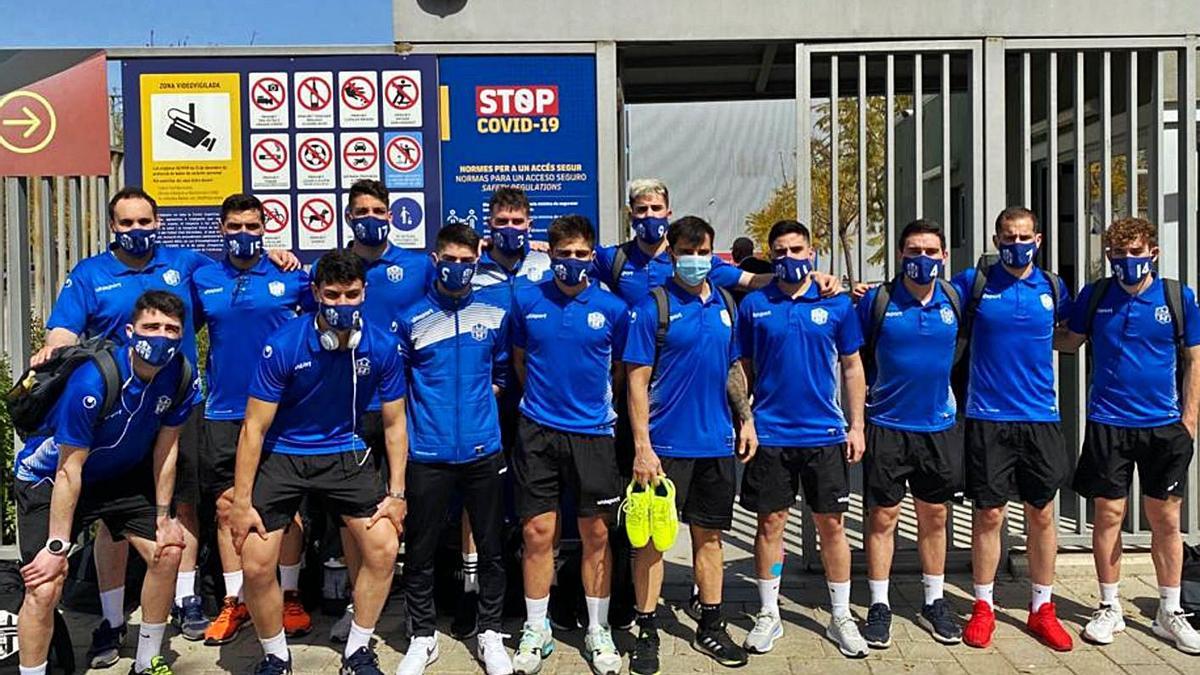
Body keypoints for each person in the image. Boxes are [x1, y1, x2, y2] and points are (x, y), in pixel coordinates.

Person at [34, 187, 299, 662]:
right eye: (126, 224)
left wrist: (277, 253)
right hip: (113, 417)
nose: (137, 231)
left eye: (144, 222)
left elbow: (237, 272)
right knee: (110, 531)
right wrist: (52, 352)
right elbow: (63, 331)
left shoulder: (187, 264)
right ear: (112, 226)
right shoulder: (91, 273)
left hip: (175, 405)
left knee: (178, 502)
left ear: (158, 223)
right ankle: (112, 622)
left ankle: (186, 596)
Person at [229, 250, 407, 675]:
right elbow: (253, 427)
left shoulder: (381, 346)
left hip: (346, 452)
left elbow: (396, 423)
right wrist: (241, 499)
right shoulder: (284, 344)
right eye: (332, 295)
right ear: (315, 293)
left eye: (351, 295)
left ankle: (358, 651)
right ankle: (275, 656)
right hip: (285, 454)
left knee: (383, 547)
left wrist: (397, 493)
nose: (342, 304)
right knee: (254, 560)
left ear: (364, 293)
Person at [15, 290, 197, 675]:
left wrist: (164, 516)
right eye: (151, 327)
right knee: (46, 585)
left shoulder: (181, 374)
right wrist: (56, 548)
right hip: (51, 479)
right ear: (131, 331)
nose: (160, 337)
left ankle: (147, 661)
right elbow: (68, 471)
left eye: (170, 329)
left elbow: (167, 449)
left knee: (169, 550)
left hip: (116, 476)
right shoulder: (93, 381)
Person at [1057, 217, 1200, 654]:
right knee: (1109, 517)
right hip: (1109, 424)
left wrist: (1190, 422)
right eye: (1118, 254)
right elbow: (1068, 341)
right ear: (1108, 257)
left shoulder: (1177, 297)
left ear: (1152, 252)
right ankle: (1108, 606)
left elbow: (1195, 360)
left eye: (1136, 253)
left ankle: (1169, 612)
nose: (1127, 261)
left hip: (1164, 427)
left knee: (1166, 521)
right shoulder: (1096, 295)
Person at [622, 216, 755, 674]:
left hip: (715, 444)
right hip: (664, 450)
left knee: (710, 538)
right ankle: (646, 628)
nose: (695, 260)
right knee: (653, 544)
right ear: (672, 254)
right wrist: (643, 446)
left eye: (703, 252)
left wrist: (746, 419)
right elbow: (635, 384)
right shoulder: (651, 307)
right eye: (686, 251)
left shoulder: (725, 304)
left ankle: (711, 624)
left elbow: (733, 366)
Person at [736, 219, 869, 659]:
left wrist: (857, 426)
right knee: (770, 525)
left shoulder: (836, 305)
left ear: (812, 252)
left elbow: (851, 367)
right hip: (771, 435)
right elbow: (743, 370)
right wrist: (746, 420)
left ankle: (841, 615)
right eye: (780, 251)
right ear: (771, 256)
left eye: (797, 249)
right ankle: (769, 613)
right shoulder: (755, 304)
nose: (789, 258)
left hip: (825, 434)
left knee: (831, 525)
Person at [192, 194, 316, 645]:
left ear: (265, 228)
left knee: (289, 510)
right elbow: (179, 333)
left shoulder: (288, 275)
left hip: (282, 412)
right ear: (222, 229)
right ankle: (235, 599)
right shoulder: (203, 277)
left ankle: (289, 595)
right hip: (224, 412)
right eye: (235, 226)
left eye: (252, 226)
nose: (244, 234)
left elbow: (326, 315)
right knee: (229, 509)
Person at [394, 223, 514, 675]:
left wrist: (481, 411)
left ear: (477, 261)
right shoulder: (411, 318)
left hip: (484, 452)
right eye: (451, 260)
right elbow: (399, 388)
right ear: (436, 261)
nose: (459, 268)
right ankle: (422, 636)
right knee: (421, 553)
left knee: (491, 550)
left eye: (467, 261)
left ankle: (489, 632)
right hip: (427, 454)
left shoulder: (493, 314)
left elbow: (501, 373)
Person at [509, 215, 627, 675]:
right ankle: (536, 630)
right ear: (551, 255)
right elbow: (520, 361)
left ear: (592, 256)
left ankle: (598, 629)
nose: (572, 262)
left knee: (597, 534)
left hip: (594, 433)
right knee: (538, 533)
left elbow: (619, 371)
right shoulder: (528, 300)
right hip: (537, 430)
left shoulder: (613, 308)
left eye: (581, 254)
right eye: (564, 254)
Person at [952, 207, 1074, 652]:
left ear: (1038, 240)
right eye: (1008, 237)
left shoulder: (1054, 287)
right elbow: (926, 296)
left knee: (1042, 514)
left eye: (1024, 237)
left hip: (1041, 417)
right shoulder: (976, 283)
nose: (1016, 244)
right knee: (989, 515)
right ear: (996, 239)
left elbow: (1072, 333)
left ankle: (1042, 608)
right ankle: (983, 606)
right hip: (988, 416)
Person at [331, 178, 432, 643]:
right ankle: (359, 605)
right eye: (361, 211)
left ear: (391, 215)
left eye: (378, 211)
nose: (370, 218)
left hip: (401, 406)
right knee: (354, 518)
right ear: (348, 216)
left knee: (408, 508)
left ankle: (414, 607)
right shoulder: (335, 269)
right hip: (348, 410)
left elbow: (459, 286)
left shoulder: (417, 265)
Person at [855, 219, 964, 648]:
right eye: (913, 251)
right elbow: (854, 357)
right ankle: (879, 604)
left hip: (938, 427)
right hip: (887, 426)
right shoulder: (878, 301)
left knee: (934, 517)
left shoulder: (955, 299)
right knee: (883, 517)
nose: (922, 259)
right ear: (901, 255)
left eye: (930, 251)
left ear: (943, 256)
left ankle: (934, 600)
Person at [456, 186, 553, 639]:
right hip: (486, 399)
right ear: (487, 225)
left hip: (543, 402)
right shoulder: (470, 269)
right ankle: (472, 589)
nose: (509, 229)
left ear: (530, 224)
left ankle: (544, 589)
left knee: (541, 502)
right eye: (501, 222)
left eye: (517, 222)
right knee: (480, 497)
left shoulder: (547, 263)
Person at [730, 236, 772, 304]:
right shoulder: (767, 266)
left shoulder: (738, 273)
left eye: (734, 250)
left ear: (738, 252)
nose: (732, 253)